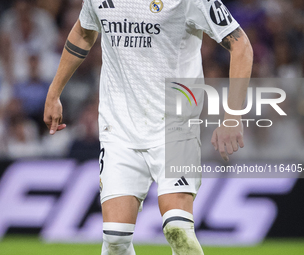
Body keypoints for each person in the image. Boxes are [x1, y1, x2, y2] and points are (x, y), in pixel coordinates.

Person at [44, 0, 253, 254]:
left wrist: (232, 116)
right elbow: (83, 31)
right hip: (119, 129)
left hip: (176, 128)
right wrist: (54, 93)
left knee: (178, 230)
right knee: (115, 240)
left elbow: (241, 45)